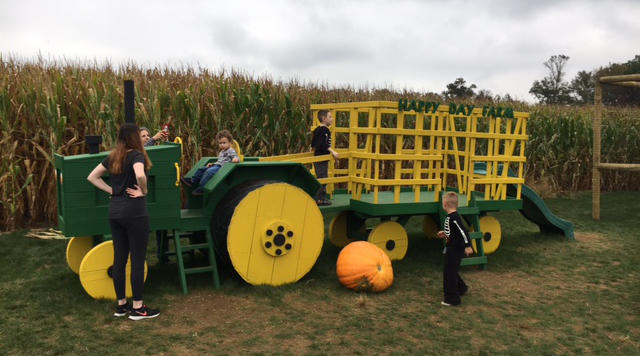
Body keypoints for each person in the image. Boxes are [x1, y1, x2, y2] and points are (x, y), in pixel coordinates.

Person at [87, 123, 160, 320]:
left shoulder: (113, 156)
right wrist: (143, 191)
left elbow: (92, 177)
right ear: (135, 137)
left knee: (119, 259)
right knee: (137, 260)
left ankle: (121, 306)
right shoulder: (136, 155)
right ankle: (138, 308)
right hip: (135, 213)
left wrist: (113, 191)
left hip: (115, 212)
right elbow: (139, 174)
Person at [437, 192, 474, 306]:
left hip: (455, 249)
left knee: (449, 273)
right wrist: (445, 234)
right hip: (452, 248)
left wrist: (468, 246)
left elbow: (463, 232)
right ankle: (461, 288)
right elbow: (455, 232)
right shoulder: (452, 218)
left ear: (445, 204)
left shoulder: (454, 218)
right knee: (451, 270)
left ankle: (452, 299)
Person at [181, 130, 239, 196]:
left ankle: (202, 188)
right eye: (220, 143)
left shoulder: (230, 150)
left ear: (230, 143)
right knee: (202, 169)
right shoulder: (222, 152)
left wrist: (235, 159)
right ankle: (192, 181)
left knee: (209, 171)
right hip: (217, 165)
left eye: (224, 143)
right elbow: (220, 160)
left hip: (223, 168)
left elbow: (235, 157)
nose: (222, 145)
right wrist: (213, 164)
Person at [310, 109, 339, 206]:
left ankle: (319, 197)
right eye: (330, 117)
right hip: (321, 157)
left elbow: (313, 143)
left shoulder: (317, 129)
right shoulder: (325, 130)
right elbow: (323, 144)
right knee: (323, 178)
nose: (332, 119)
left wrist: (312, 150)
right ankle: (320, 199)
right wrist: (333, 152)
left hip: (317, 157)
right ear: (323, 118)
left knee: (321, 177)